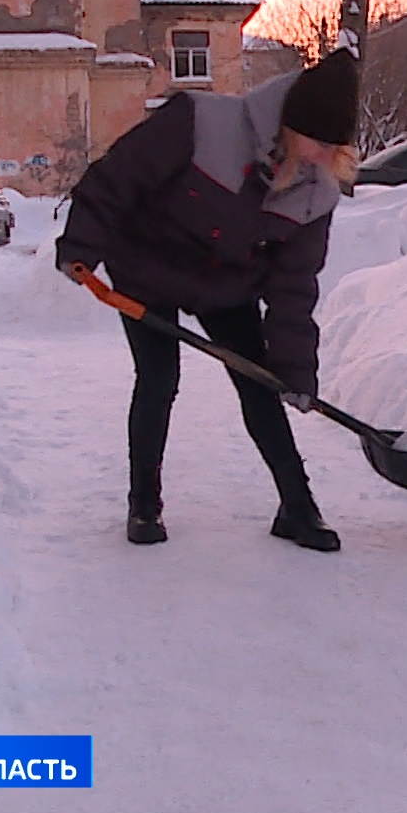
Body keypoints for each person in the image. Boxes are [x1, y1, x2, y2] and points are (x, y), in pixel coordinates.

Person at [56, 49, 361, 552]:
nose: (319, 155)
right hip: (146, 268)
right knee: (158, 379)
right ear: (288, 122)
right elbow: (116, 178)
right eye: (314, 140)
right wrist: (80, 247)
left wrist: (295, 373)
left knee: (258, 385)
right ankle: (144, 504)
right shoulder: (201, 122)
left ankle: (298, 509)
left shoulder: (316, 190)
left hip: (224, 284)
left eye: (332, 146)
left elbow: (293, 287)